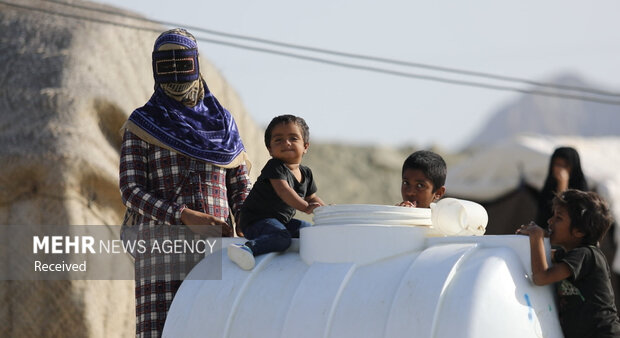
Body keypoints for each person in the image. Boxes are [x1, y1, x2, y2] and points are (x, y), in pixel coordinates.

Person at [119, 28, 252, 337]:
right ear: (155, 69)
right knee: (163, 330)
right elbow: (132, 191)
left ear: (196, 64)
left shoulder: (224, 124)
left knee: (216, 326)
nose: (176, 72)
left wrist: (246, 220)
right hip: (162, 252)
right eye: (167, 65)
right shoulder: (142, 123)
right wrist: (185, 216)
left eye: (183, 63)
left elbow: (239, 186)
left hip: (217, 249)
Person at [517, 190, 620, 338]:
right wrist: (530, 242)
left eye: (558, 218)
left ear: (579, 231)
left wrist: (537, 238)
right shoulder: (569, 257)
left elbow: (541, 277)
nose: (549, 221)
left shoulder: (586, 255)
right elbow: (543, 257)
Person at [227, 114, 325, 270]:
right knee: (282, 237)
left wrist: (328, 212)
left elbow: (312, 197)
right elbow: (284, 191)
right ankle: (247, 248)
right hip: (256, 220)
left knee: (309, 232)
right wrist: (306, 207)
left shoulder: (306, 173)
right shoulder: (275, 167)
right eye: (278, 140)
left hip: (280, 221)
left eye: (293, 138)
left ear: (305, 146)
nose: (286, 143)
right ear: (270, 149)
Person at [536, 146, 588, 228]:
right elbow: (544, 216)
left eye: (565, 166)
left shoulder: (582, 191)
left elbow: (574, 217)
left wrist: (563, 188)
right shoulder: (548, 187)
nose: (560, 169)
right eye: (557, 164)